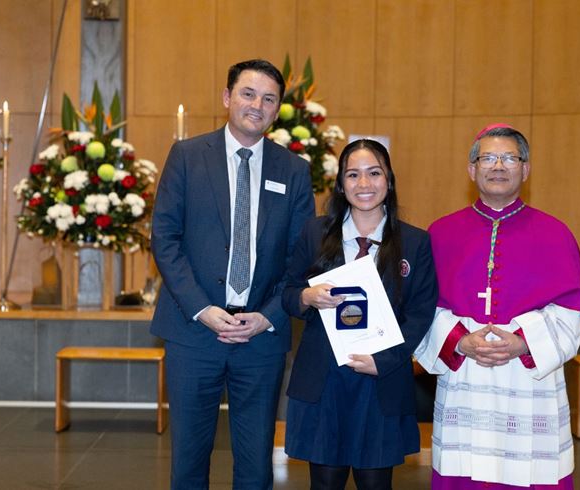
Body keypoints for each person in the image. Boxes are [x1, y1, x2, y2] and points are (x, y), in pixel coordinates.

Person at [150, 59, 315, 490]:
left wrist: (268, 316)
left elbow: (300, 257)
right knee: (188, 461)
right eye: (248, 93)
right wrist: (202, 308)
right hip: (193, 331)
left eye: (269, 98)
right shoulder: (187, 156)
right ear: (227, 97)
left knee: (256, 464)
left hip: (260, 335)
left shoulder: (294, 170)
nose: (257, 105)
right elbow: (165, 239)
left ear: (277, 109)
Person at [415, 124, 580, 489]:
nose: (498, 166)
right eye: (488, 158)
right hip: (465, 375)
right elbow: (420, 307)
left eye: (510, 158)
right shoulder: (440, 233)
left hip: (528, 383)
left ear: (525, 169)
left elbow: (569, 313)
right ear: (472, 169)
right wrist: (460, 340)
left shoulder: (556, 234)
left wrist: (523, 342)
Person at [282, 139, 438, 490]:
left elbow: (420, 313)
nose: (364, 183)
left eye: (374, 173)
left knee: (375, 483)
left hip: (380, 380)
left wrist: (384, 360)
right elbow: (288, 294)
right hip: (324, 380)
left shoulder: (415, 242)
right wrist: (306, 296)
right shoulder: (315, 233)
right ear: (340, 183)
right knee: (324, 483)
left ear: (389, 180)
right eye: (353, 175)